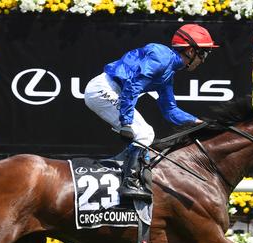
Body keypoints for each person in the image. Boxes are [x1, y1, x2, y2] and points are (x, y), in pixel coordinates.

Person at [84, 24, 218, 201]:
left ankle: (121, 170)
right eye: (204, 53)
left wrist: (197, 122)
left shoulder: (168, 72)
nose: (204, 59)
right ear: (191, 51)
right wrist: (126, 121)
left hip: (113, 91)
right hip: (102, 89)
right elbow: (133, 84)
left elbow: (170, 110)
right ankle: (130, 182)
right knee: (145, 132)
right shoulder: (161, 56)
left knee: (145, 133)